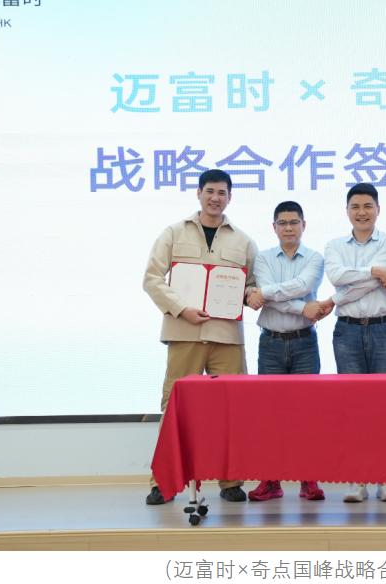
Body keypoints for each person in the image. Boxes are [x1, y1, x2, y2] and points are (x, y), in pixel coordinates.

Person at [143, 168, 258, 505]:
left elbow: (251, 285)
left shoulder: (243, 240)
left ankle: (231, 481)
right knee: (175, 409)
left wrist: (251, 295)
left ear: (230, 197)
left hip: (226, 337)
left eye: (222, 193)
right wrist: (181, 309)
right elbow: (152, 279)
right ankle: (163, 482)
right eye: (210, 191)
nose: (215, 198)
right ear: (198, 193)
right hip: (184, 332)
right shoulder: (174, 233)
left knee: (232, 410)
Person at [245, 201, 333, 502]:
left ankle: (309, 479)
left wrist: (265, 293)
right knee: (269, 416)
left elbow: (301, 285)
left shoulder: (315, 258)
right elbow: (281, 296)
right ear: (274, 227)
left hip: (304, 343)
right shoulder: (263, 258)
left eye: (294, 222)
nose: (288, 228)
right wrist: (302, 308)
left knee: (307, 415)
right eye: (282, 223)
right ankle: (271, 480)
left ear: (303, 225)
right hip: (270, 343)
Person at [322, 183, 386, 503]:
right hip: (348, 331)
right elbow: (338, 277)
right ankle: (357, 479)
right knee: (352, 407)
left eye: (368, 206)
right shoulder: (334, 246)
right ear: (347, 211)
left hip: (384, 330)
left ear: (378, 209)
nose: (362, 212)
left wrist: (336, 297)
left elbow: (353, 283)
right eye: (355, 206)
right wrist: (374, 271)